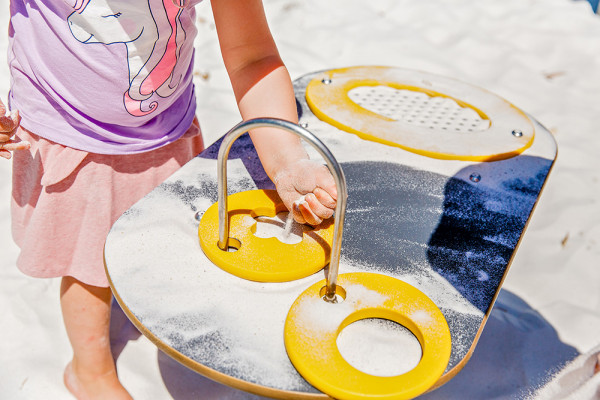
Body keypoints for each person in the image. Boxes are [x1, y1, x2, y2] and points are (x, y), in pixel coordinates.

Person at [2, 0, 337, 398]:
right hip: (71, 130)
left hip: (164, 125)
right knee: (88, 263)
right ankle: (89, 371)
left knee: (163, 234)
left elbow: (252, 55)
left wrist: (287, 160)